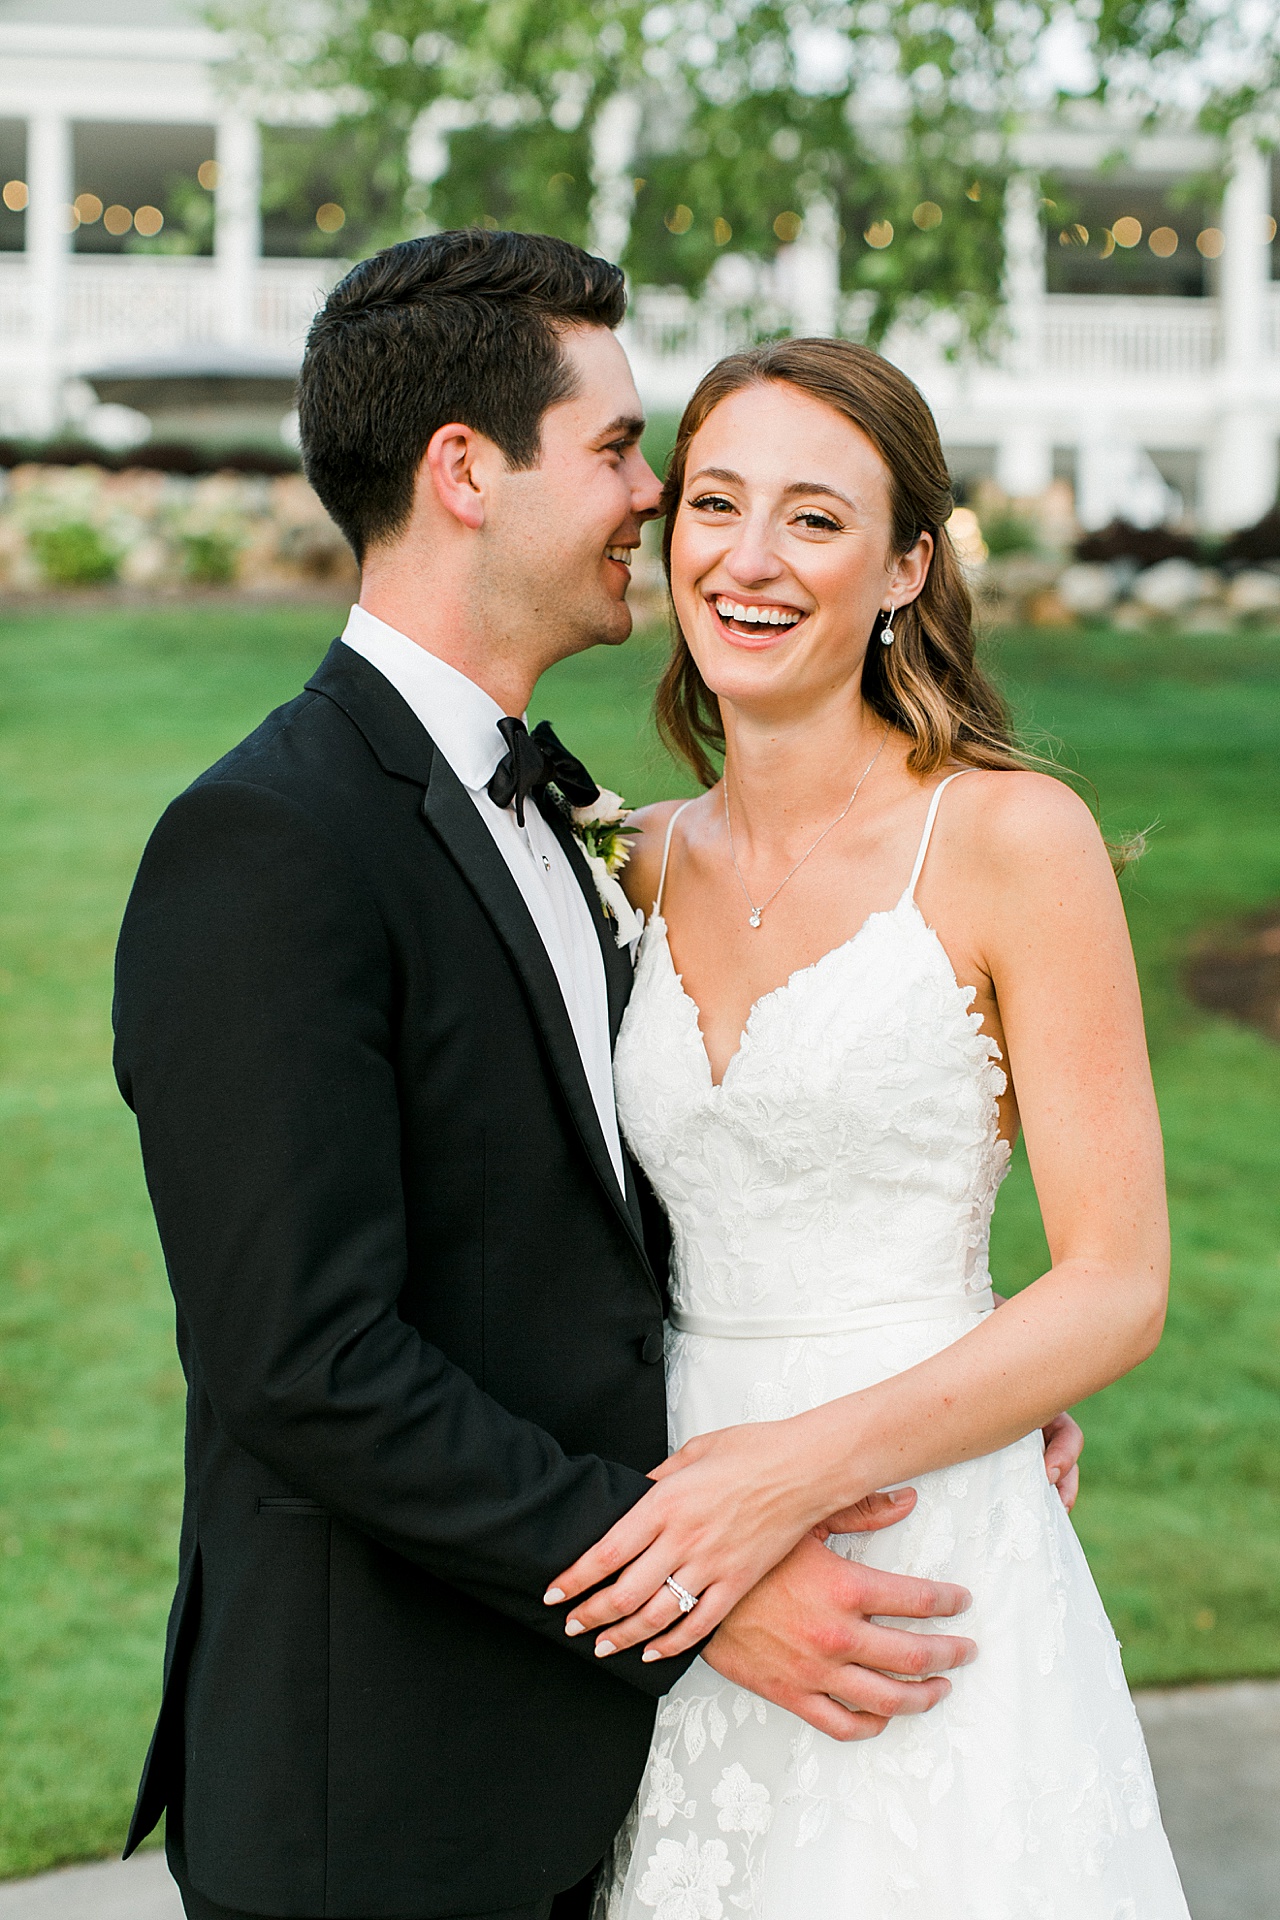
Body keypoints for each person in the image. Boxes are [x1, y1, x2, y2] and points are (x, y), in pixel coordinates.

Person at [112, 234, 1049, 1920]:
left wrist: (939, 1371)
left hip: (601, 1767)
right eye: (621, 449)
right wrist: (688, 1582)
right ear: (467, 473)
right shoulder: (266, 845)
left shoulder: (572, 820)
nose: (654, 496)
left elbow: (633, 1207)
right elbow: (304, 1363)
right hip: (383, 1794)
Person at [538, 339, 1191, 1917]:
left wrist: (797, 1472)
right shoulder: (619, 863)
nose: (748, 560)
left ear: (908, 563)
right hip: (680, 1545)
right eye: (715, 502)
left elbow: (1116, 1281)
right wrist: (710, 1513)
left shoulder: (1011, 838)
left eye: (815, 520)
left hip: (925, 1534)